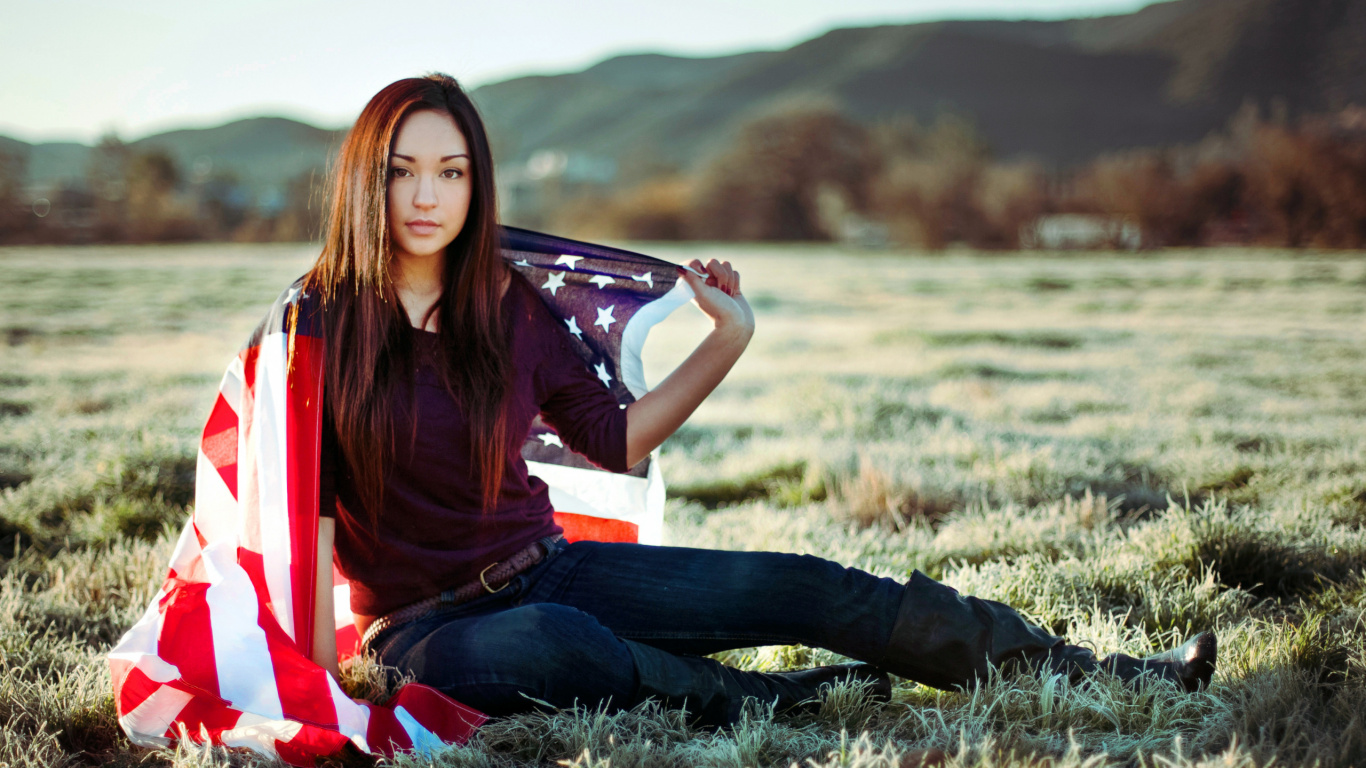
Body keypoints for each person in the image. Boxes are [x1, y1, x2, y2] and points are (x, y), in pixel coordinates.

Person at [302, 73, 1217, 729]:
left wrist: (727, 338)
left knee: (799, 583)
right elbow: (306, 518)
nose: (427, 195)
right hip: (420, 630)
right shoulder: (318, 326)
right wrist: (314, 689)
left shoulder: (510, 303)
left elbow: (612, 440)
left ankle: (1100, 673)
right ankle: (776, 701)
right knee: (550, 645)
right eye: (402, 171)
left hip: (551, 568)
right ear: (365, 180)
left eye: (452, 171)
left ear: (477, 183)